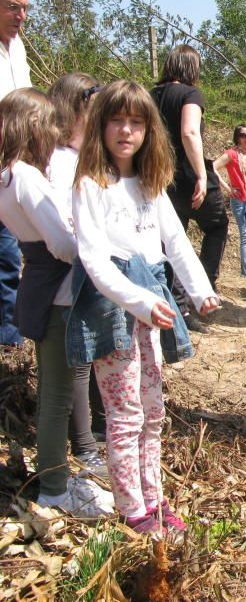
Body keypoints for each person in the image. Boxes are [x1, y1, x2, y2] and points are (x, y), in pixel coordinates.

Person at [71, 80, 220, 537]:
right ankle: (133, 509)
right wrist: (140, 301)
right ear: (102, 125)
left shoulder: (152, 184)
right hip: (112, 309)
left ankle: (155, 499)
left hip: (152, 302)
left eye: (136, 122)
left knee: (153, 411)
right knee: (124, 414)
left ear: (148, 131)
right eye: (117, 120)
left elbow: (174, 240)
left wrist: (199, 290)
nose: (126, 130)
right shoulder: (91, 184)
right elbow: (94, 261)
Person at [0, 88, 113, 517]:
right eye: (48, 123)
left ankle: (59, 477)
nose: (55, 130)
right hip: (61, 293)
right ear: (31, 126)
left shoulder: (7, 176)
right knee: (58, 396)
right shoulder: (26, 176)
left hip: (42, 288)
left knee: (54, 391)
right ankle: (53, 486)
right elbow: (63, 243)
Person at [47, 72, 108, 477]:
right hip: (70, 274)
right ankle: (84, 448)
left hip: (95, 273)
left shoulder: (85, 156)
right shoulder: (57, 160)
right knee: (79, 361)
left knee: (95, 353)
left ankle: (98, 435)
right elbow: (62, 226)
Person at [151, 45, 228, 333]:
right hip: (187, 176)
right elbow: (189, 132)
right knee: (217, 226)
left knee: (171, 242)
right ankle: (202, 288)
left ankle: (177, 307)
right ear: (192, 68)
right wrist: (200, 175)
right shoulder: (190, 94)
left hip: (160, 179)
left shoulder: (150, 95)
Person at [0, 0, 33, 347]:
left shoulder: (17, 48)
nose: (21, 16)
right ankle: (10, 344)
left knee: (13, 253)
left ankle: (11, 340)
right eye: (13, 7)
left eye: (25, 8)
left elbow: (25, 105)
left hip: (15, 166)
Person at [212, 124, 246, 279]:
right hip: (239, 200)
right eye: (243, 135)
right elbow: (212, 167)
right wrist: (228, 189)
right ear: (237, 137)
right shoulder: (231, 154)